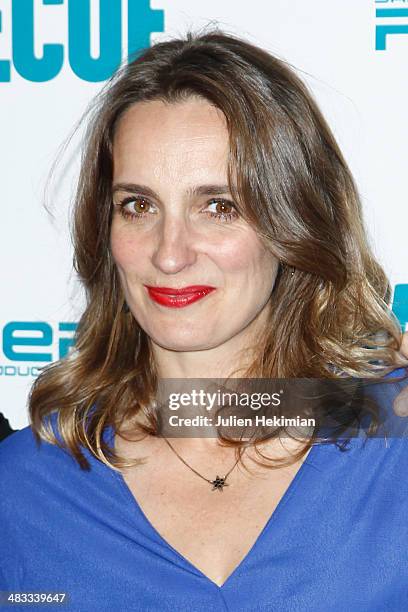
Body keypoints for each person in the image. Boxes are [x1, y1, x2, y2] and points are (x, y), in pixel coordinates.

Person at [1, 29, 408, 612]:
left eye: (219, 206)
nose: (170, 254)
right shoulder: (25, 489)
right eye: (138, 205)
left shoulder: (393, 445)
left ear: (293, 219)